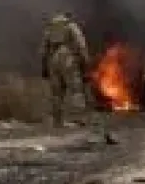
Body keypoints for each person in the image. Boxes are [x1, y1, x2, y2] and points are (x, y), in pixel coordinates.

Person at [40, 12, 114, 144]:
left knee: (56, 93)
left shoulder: (50, 29)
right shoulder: (71, 26)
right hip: (67, 58)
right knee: (76, 90)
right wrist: (86, 64)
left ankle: (57, 121)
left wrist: (44, 67)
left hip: (53, 59)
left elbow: (43, 50)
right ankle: (80, 118)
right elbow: (81, 45)